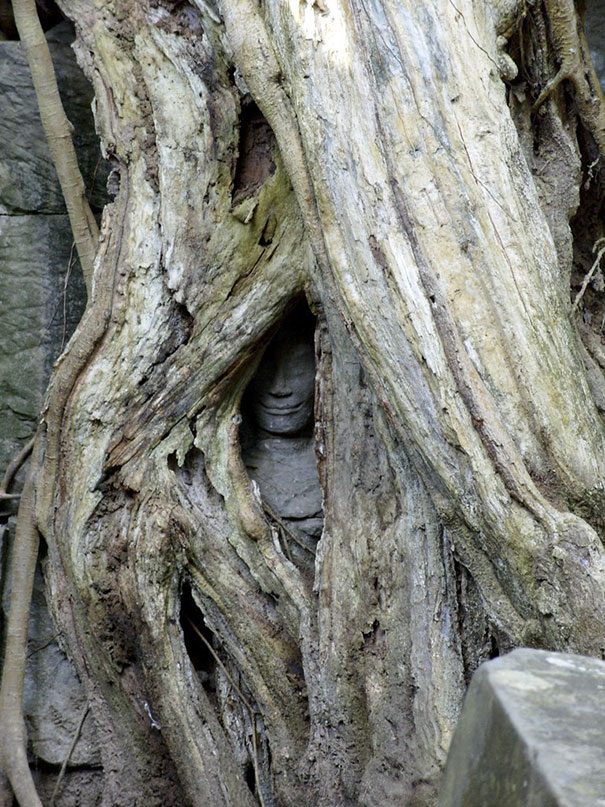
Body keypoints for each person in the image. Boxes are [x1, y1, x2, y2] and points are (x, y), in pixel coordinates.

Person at [241, 309, 323, 566]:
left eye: (298, 368)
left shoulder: (345, 471)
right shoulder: (230, 472)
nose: (279, 388)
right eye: (265, 370)